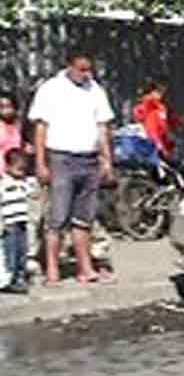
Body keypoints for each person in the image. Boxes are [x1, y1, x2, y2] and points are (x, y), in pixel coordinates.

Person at [28, 52, 117, 286]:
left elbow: (102, 126)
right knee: (57, 217)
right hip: (61, 158)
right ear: (69, 66)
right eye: (81, 69)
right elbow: (40, 127)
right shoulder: (51, 89)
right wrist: (40, 162)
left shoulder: (95, 90)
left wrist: (106, 159)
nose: (86, 74)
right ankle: (52, 270)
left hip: (89, 160)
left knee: (84, 219)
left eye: (89, 69)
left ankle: (85, 268)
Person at [1, 148, 31, 293]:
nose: (21, 173)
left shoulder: (23, 183)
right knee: (10, 252)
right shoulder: (4, 184)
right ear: (8, 167)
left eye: (24, 169)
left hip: (22, 222)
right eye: (18, 169)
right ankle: (8, 279)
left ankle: (20, 276)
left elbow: (31, 193)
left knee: (22, 251)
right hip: (9, 223)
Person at [132, 79, 183, 160]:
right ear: (152, 92)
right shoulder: (151, 109)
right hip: (156, 148)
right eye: (159, 91)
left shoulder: (161, 107)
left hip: (163, 146)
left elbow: (174, 119)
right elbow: (152, 131)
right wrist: (160, 147)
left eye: (163, 91)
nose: (162, 94)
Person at [0, 90, 24, 176]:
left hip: (17, 172)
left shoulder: (19, 126)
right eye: (2, 107)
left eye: (9, 106)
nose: (5, 111)